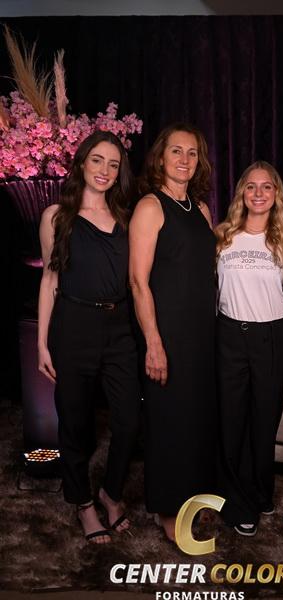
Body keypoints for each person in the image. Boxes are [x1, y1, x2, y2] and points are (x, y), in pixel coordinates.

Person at [38, 130, 141, 544]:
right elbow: (49, 281)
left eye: (113, 164)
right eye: (97, 160)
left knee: (130, 420)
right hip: (73, 326)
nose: (105, 170)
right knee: (75, 422)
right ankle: (83, 503)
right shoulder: (56, 216)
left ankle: (110, 493)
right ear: (82, 163)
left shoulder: (127, 218)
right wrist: (42, 343)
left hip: (120, 327)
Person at [129, 122, 216, 542]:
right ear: (161, 158)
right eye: (176, 151)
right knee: (169, 422)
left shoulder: (201, 210)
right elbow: (138, 282)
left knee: (197, 418)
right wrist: (154, 343)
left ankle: (192, 497)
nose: (185, 159)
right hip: (167, 333)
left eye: (192, 152)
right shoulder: (150, 206)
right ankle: (167, 509)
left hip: (202, 333)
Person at [215, 161, 283, 536]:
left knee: (264, 422)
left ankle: (261, 491)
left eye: (267, 187)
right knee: (232, 421)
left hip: (272, 337)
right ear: (241, 193)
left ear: (276, 194)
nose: (258, 193)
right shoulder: (222, 236)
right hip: (229, 335)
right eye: (251, 186)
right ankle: (238, 501)